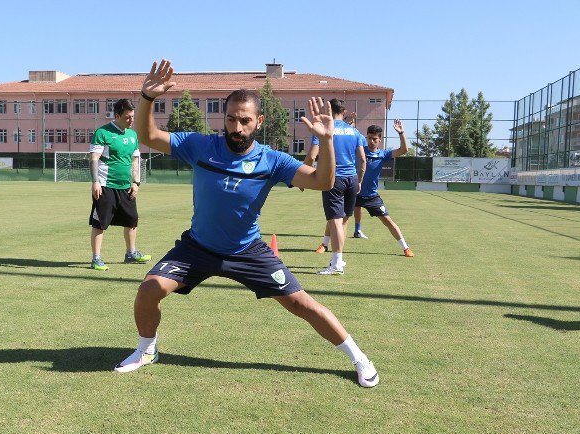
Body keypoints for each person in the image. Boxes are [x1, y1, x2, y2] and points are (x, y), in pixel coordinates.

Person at [114, 59, 379, 388]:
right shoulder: (201, 145)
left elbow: (323, 182)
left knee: (302, 304)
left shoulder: (272, 159)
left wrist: (325, 142)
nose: (236, 127)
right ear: (222, 118)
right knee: (148, 290)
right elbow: (148, 135)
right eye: (230, 119)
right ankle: (146, 350)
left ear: (258, 121)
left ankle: (360, 359)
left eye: (244, 120)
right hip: (198, 247)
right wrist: (147, 98)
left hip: (247, 251)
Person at [303, 100, 366, 275]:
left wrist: (304, 178)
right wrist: (359, 180)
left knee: (335, 221)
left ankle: (336, 264)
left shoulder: (325, 129)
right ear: (344, 111)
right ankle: (338, 259)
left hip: (333, 179)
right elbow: (362, 159)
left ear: (328, 110)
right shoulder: (354, 131)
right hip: (352, 179)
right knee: (343, 220)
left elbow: (311, 156)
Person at [89, 98, 152, 270]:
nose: (131, 120)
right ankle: (96, 258)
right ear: (117, 115)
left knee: (132, 220)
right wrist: (95, 182)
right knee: (100, 223)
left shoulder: (133, 135)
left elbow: (135, 160)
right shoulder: (102, 133)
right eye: (127, 117)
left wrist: (136, 182)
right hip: (105, 186)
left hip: (126, 187)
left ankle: (131, 253)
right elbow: (94, 158)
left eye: (133, 116)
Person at [352, 120, 414, 257]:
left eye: (375, 139)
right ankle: (325, 244)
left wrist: (401, 133)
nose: (371, 141)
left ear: (380, 139)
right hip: (354, 192)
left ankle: (405, 247)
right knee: (339, 219)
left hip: (372, 196)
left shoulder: (383, 154)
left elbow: (404, 150)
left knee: (387, 220)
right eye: (369, 138)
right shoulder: (359, 150)